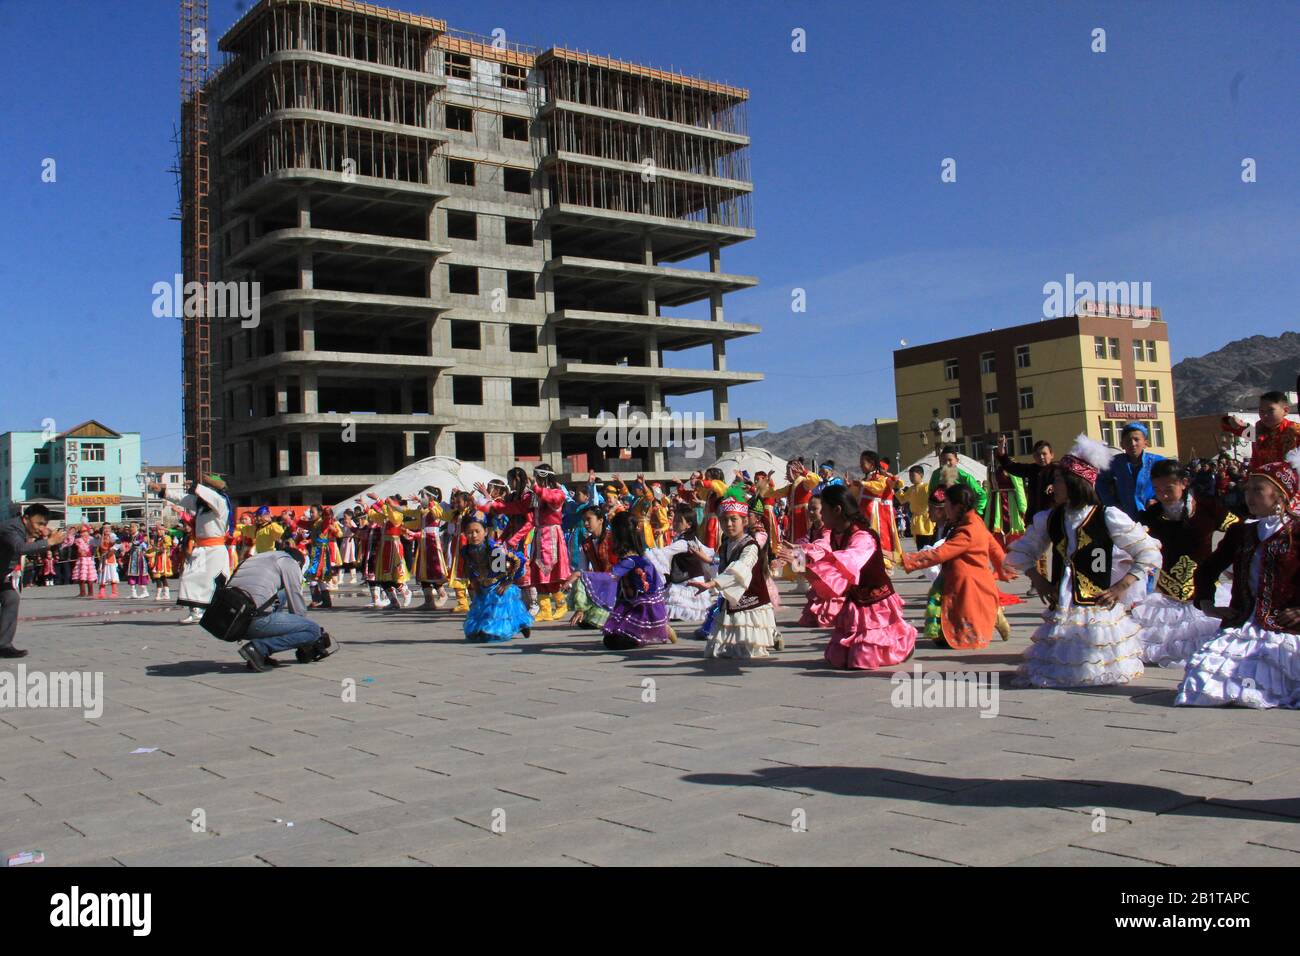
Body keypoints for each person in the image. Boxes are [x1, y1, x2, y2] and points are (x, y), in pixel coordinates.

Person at [1003, 435, 1162, 688]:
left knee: (1095, 662)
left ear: (1075, 483)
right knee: (1057, 666)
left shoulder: (1107, 516)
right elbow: (1022, 552)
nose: (1052, 487)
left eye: (1058, 481)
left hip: (1098, 604)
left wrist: (1121, 587)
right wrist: (1039, 581)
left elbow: (1148, 553)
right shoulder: (1050, 518)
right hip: (1063, 603)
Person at [1176, 449, 1300, 708]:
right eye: (1247, 489)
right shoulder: (1241, 532)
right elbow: (1207, 569)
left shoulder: (1296, 531)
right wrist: (1206, 604)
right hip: (1243, 621)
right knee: (1202, 680)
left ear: (1280, 495)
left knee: (1265, 682)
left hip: (1285, 628)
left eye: (1258, 489)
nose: (1249, 495)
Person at [796, 484, 916, 670]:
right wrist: (797, 556)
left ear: (837, 510)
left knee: (862, 659)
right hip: (855, 599)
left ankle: (905, 642)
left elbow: (846, 563)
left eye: (823, 510)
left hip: (875, 598)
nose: (819, 515)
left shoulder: (863, 537)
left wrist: (802, 562)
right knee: (837, 657)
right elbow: (822, 551)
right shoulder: (835, 533)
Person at [1131, 460, 1236, 667]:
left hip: (1204, 588)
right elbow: (1133, 545)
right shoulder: (1151, 516)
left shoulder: (1208, 508)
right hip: (1167, 591)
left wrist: (1229, 564)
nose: (1163, 494)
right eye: (1157, 489)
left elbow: (1239, 533)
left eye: (1168, 488)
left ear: (1184, 483)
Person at [902, 484, 1009, 649]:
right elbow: (993, 547)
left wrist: (906, 560)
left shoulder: (968, 530)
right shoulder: (973, 521)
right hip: (962, 577)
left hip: (967, 581)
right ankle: (990, 616)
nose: (945, 510)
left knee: (964, 622)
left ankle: (984, 622)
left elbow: (940, 553)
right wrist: (1004, 567)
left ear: (957, 507)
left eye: (947, 506)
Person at [694, 495, 781, 659]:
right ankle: (771, 633)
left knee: (749, 651)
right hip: (732, 599)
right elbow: (720, 563)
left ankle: (772, 633)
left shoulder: (751, 545)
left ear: (744, 521)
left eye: (733, 519)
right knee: (715, 651)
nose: (728, 524)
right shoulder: (726, 544)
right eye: (724, 520)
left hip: (751, 599)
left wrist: (713, 583)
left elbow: (741, 567)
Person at [225, 548, 338, 672]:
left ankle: (260, 654)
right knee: (312, 630)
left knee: (280, 594)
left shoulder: (253, 559)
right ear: (299, 563)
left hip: (230, 622)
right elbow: (297, 609)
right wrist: (306, 641)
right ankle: (258, 649)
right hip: (253, 621)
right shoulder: (289, 562)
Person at [150, 474, 234, 624]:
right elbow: (181, 498)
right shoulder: (200, 505)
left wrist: (197, 484)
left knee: (216, 581)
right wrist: (162, 491)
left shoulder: (220, 502)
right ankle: (195, 612)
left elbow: (209, 494)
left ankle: (218, 612)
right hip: (201, 548)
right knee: (189, 577)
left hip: (215, 549)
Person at [596, 511, 673, 650]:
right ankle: (659, 628)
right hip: (632, 604)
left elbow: (610, 577)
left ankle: (658, 628)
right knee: (610, 638)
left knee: (614, 642)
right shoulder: (637, 558)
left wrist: (581, 576)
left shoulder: (630, 561)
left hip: (643, 610)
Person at [0, 505, 67, 658]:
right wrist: (48, 542)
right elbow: (20, 548)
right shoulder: (11, 528)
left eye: (44, 524)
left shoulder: (23, 529)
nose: (41, 527)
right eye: (39, 524)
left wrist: (51, 541)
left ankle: (3, 645)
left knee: (11, 598)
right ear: (26, 519)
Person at [461, 514, 533, 644]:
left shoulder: (494, 549)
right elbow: (470, 569)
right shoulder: (466, 551)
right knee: (482, 611)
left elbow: (518, 560)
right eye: (470, 532)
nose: (474, 535)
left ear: (485, 531)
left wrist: (508, 582)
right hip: (483, 586)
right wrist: (475, 584)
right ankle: (518, 625)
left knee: (497, 612)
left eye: (477, 531)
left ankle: (499, 629)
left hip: (498, 586)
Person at [1098, 422, 1165, 521]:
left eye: (1136, 440)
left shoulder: (1158, 462)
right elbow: (1100, 482)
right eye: (1128, 441)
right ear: (1122, 444)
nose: (1132, 444)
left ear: (1145, 443)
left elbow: (1169, 482)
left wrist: (1158, 500)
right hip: (1125, 517)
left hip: (1153, 513)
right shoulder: (1114, 463)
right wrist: (1111, 504)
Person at [995, 436, 1055, 519]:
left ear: (1052, 455)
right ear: (1034, 457)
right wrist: (1001, 449)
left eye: (1044, 454)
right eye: (1038, 455)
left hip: (1053, 516)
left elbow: (1069, 484)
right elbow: (1010, 466)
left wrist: (1055, 486)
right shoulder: (1032, 469)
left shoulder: (1059, 470)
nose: (1041, 457)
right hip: (1034, 516)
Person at [1246, 391, 1299, 470]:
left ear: (1286, 411)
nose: (1265, 415)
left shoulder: (1295, 430)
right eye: (1261, 411)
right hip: (1263, 478)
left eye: (1270, 410)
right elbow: (1255, 460)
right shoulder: (1258, 429)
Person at [927, 446, 988, 515]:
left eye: (950, 460)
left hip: (960, 516)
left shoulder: (964, 476)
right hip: (942, 517)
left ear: (957, 460)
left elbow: (982, 495)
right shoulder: (936, 475)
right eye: (944, 460)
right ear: (940, 460)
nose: (947, 463)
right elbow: (931, 495)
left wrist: (975, 512)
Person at [900, 466, 935, 548]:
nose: (911, 478)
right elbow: (902, 499)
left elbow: (933, 498)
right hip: (916, 520)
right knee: (919, 544)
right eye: (910, 476)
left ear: (921, 475)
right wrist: (897, 489)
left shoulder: (926, 487)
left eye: (913, 476)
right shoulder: (911, 489)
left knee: (928, 543)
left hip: (926, 519)